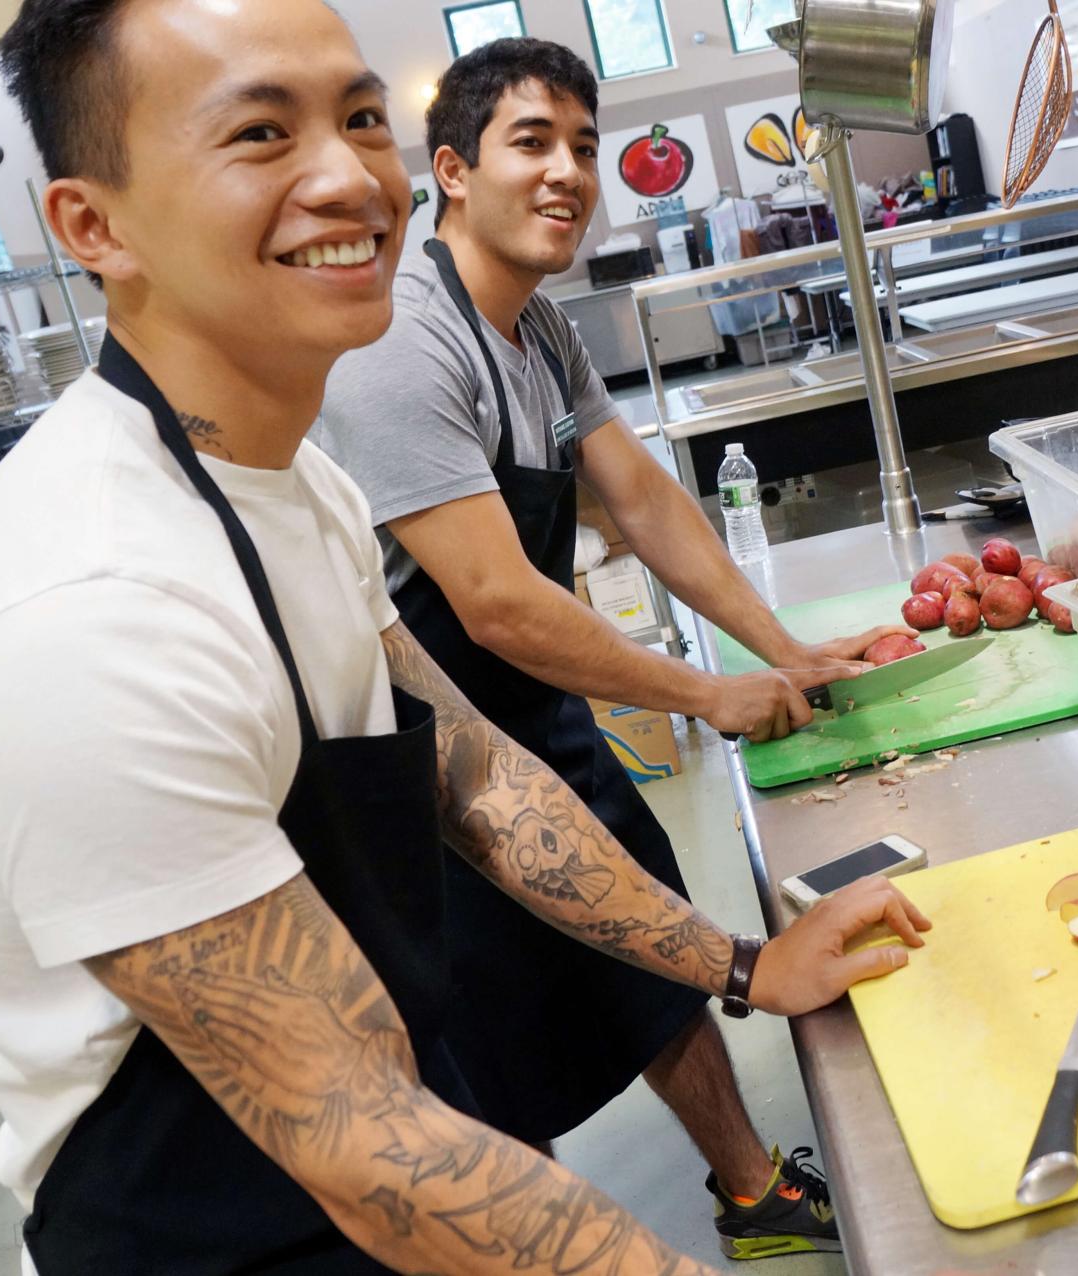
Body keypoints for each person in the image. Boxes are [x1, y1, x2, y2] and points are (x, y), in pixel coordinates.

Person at [0, 2, 927, 1272]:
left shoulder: (297, 485)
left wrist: (743, 963)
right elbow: (365, 1145)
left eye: (356, 119)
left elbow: (474, 772)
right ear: (92, 226)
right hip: (217, 1226)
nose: (347, 177)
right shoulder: (89, 614)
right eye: (259, 132)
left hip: (374, 1123)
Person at [314, 40, 908, 1261]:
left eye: (584, 147)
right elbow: (494, 602)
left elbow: (640, 497)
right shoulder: (404, 346)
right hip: (429, 764)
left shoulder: (537, 328)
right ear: (451, 173)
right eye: (531, 142)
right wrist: (704, 694)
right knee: (489, 1049)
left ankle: (752, 1190)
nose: (570, 171)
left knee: (645, 937)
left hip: (540, 713)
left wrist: (782, 652)